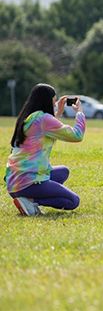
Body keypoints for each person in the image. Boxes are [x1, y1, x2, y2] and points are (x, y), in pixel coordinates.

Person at [5, 83, 86, 216]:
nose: (54, 103)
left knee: (63, 172)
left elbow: (47, 129)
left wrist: (58, 112)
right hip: (27, 182)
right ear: (48, 101)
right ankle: (30, 201)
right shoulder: (44, 119)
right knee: (73, 201)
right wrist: (80, 113)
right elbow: (77, 136)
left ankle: (27, 198)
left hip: (14, 181)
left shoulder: (29, 117)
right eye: (53, 101)